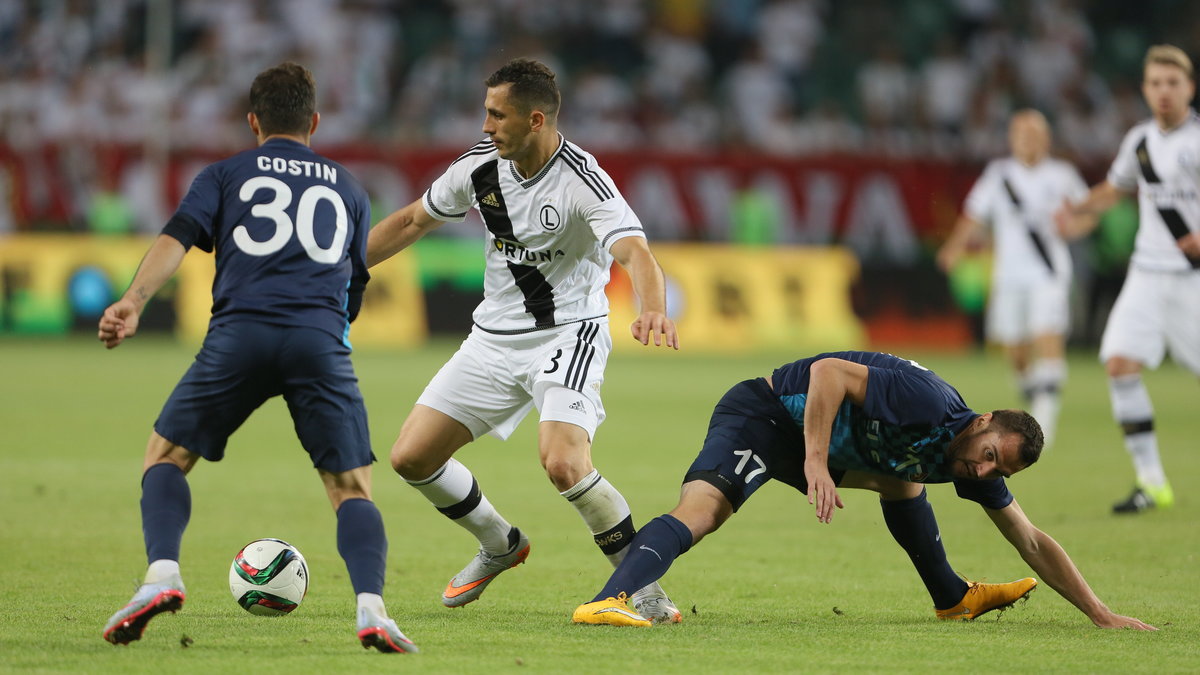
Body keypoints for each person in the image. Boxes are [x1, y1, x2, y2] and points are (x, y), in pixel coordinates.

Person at [98, 63, 417, 654]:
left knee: (165, 455)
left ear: (252, 122)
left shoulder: (224, 174)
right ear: (315, 122)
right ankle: (373, 611)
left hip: (239, 334)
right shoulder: (348, 187)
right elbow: (354, 284)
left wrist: (134, 299)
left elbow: (176, 236)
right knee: (351, 488)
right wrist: (323, 337)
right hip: (318, 341)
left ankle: (161, 576)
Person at [366, 58, 682, 620]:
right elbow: (413, 221)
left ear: (535, 119)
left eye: (496, 114)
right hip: (491, 340)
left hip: (567, 335)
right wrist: (343, 267)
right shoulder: (477, 169)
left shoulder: (584, 180)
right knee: (410, 458)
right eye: (484, 113)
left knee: (563, 462)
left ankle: (643, 589)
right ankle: (499, 544)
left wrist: (652, 306)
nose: (485, 126)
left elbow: (635, 252)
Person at [572, 351, 1156, 631]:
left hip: (820, 445)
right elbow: (828, 372)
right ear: (982, 423)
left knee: (901, 477)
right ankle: (606, 601)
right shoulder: (931, 405)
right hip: (768, 415)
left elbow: (1030, 539)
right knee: (702, 512)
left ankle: (951, 597)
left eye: (999, 472)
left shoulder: (969, 462)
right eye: (988, 459)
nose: (984, 475)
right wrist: (817, 463)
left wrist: (1102, 615)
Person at [1055, 44, 1200, 514]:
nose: (1163, 92)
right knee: (1119, 364)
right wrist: (1076, 210)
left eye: (1172, 83)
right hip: (1145, 274)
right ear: (1145, 89)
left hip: (1190, 279)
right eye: (1155, 83)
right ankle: (1152, 482)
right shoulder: (1139, 140)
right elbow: (1114, 190)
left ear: (1189, 88)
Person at [938, 109, 1092, 446]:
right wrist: (954, 247)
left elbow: (1087, 213)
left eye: (1034, 133)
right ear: (1011, 139)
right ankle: (1032, 394)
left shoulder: (1062, 175)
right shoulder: (998, 174)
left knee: (1046, 335)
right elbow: (974, 215)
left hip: (1049, 272)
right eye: (1021, 134)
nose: (1028, 139)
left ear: (1046, 138)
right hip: (1009, 275)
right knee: (1016, 352)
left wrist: (1073, 227)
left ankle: (1045, 417)